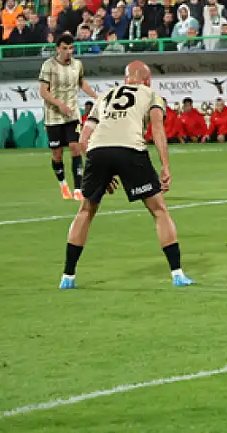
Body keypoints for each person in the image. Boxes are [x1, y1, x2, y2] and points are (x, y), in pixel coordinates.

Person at [60, 61, 194, 289]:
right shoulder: (152, 95)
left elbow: (83, 139)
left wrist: (102, 170)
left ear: (126, 79)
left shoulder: (104, 96)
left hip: (97, 150)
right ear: (147, 79)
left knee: (86, 210)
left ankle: (67, 277)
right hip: (130, 150)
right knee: (158, 210)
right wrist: (165, 166)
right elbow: (158, 129)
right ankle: (177, 274)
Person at [39, 34, 98, 200]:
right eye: (64, 48)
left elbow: (81, 83)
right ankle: (63, 184)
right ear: (58, 49)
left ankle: (78, 189)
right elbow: (43, 91)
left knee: (76, 147)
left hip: (72, 114)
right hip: (53, 116)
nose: (68, 52)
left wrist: (95, 96)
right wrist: (59, 104)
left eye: (71, 48)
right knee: (57, 154)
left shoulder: (77, 65)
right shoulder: (48, 65)